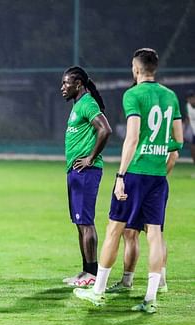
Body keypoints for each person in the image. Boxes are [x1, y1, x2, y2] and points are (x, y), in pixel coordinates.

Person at [73, 48, 184, 313]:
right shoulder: (170, 96)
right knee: (154, 234)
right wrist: (158, 147)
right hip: (158, 175)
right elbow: (178, 141)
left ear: (135, 69)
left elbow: (132, 137)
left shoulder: (133, 94)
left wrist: (121, 175)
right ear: (154, 69)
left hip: (134, 173)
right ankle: (150, 298)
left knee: (114, 229)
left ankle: (97, 291)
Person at [60, 66, 112, 287]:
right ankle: (85, 272)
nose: (62, 87)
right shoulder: (78, 105)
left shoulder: (88, 103)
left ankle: (92, 273)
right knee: (80, 223)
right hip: (76, 171)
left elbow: (105, 129)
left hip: (86, 171)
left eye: (66, 83)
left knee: (86, 223)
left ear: (78, 84)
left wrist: (90, 157)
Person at [106, 151, 178, 293]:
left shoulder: (140, 129)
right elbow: (174, 155)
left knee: (130, 232)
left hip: (136, 179)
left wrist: (120, 176)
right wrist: (160, 176)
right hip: (156, 181)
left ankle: (127, 281)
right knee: (155, 233)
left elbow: (131, 142)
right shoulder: (167, 129)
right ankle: (160, 281)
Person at [183, 90, 195, 164]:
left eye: (192, 97)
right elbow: (187, 118)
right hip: (194, 132)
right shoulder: (187, 106)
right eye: (189, 98)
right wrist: (183, 131)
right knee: (193, 148)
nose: (191, 100)